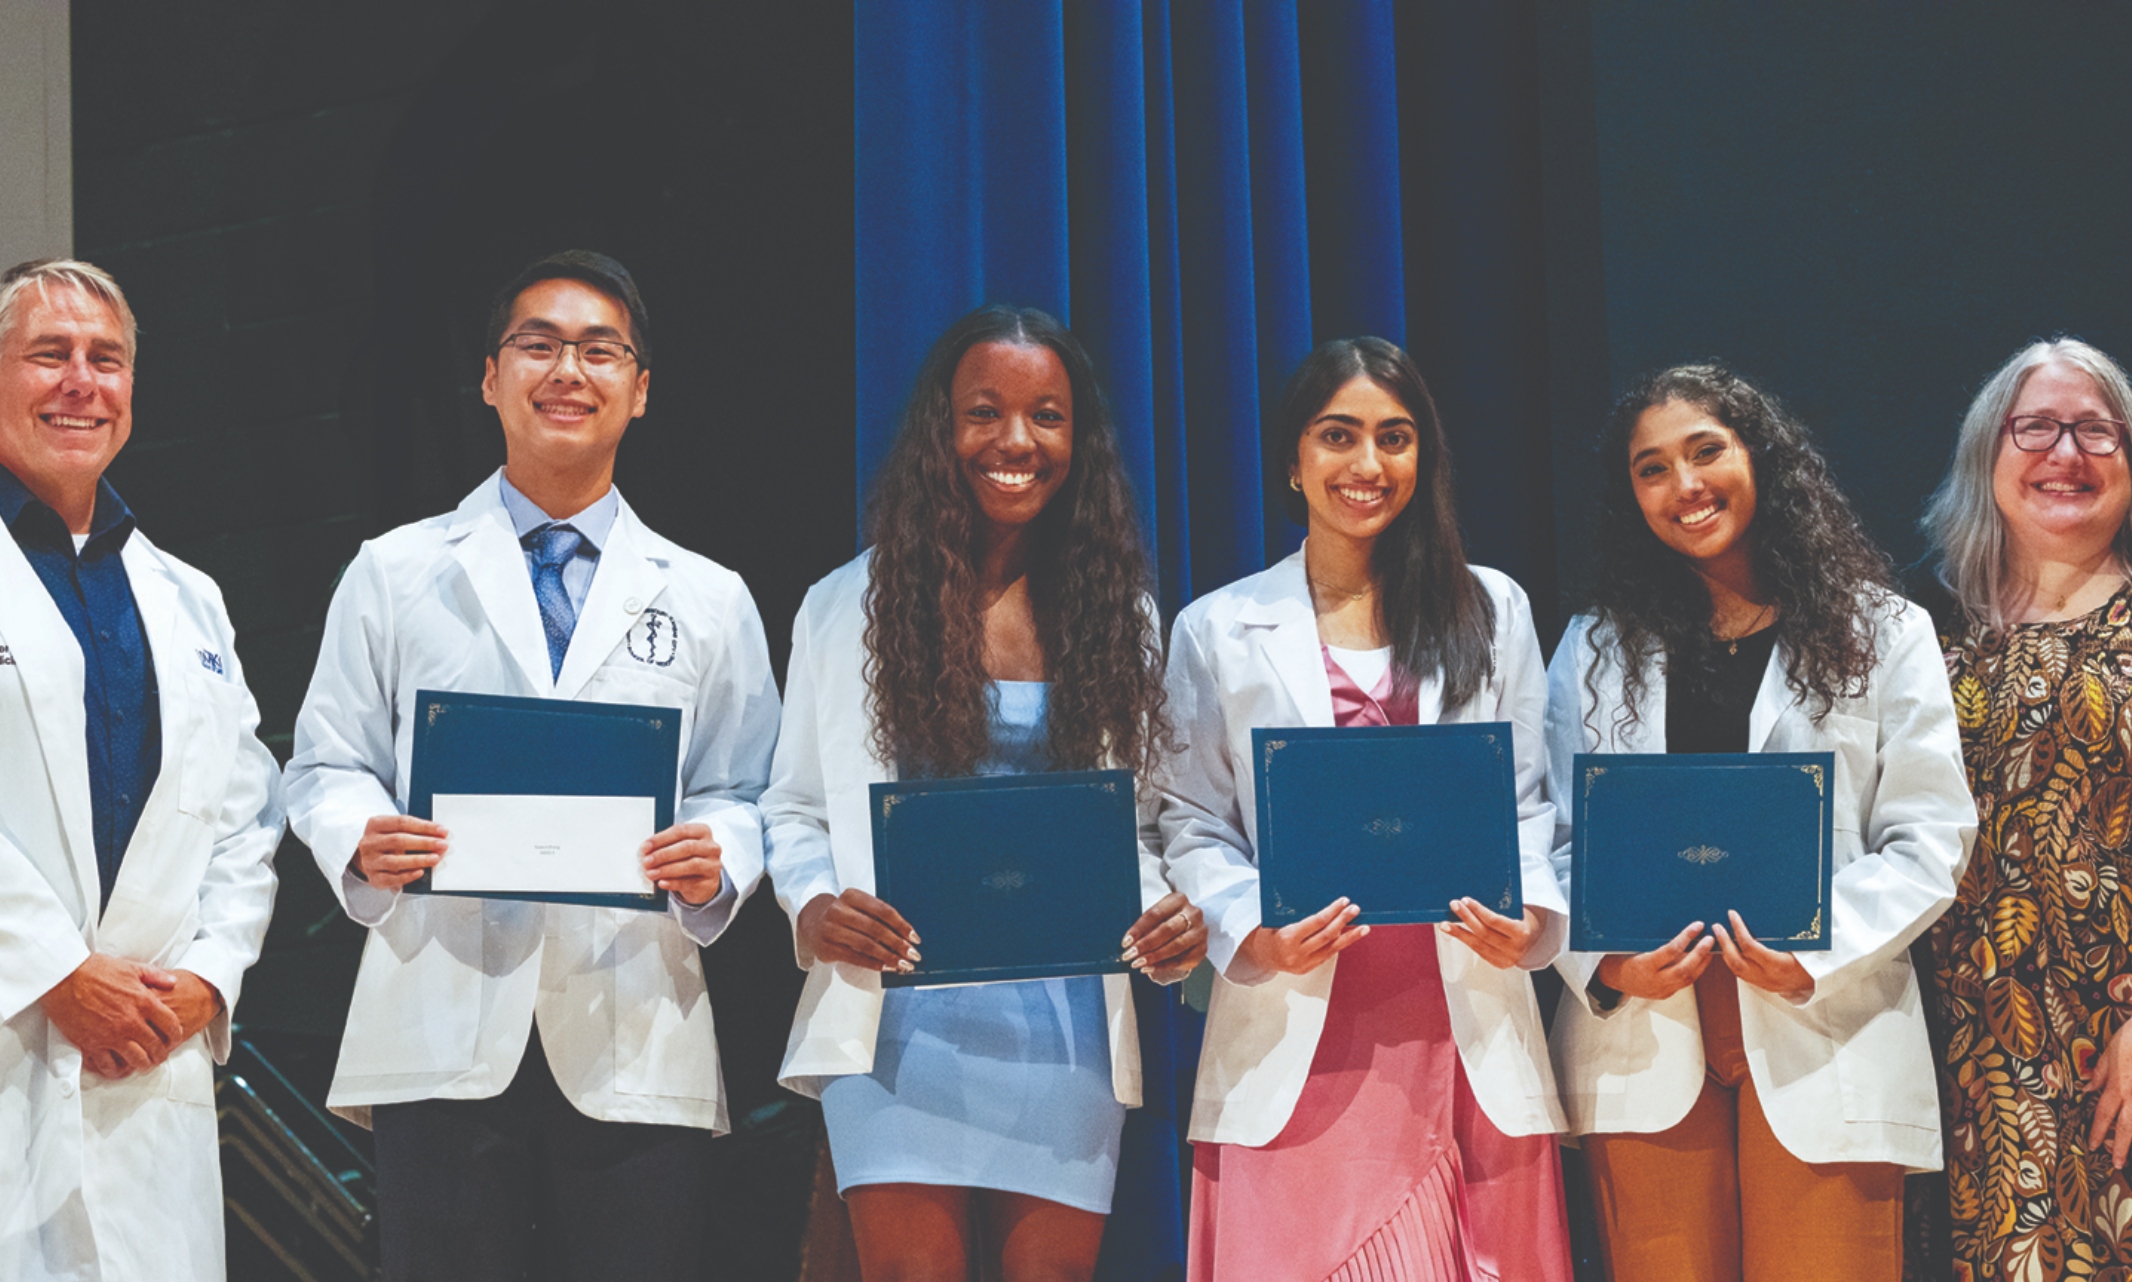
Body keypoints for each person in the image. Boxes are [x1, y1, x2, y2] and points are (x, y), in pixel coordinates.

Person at [284, 250, 780, 1282]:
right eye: (538, 344)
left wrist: (718, 856)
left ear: (639, 390)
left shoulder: (707, 596)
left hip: (632, 1023)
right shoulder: (396, 571)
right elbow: (327, 763)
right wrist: (361, 838)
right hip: (440, 1020)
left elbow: (743, 789)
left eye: (600, 351)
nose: (568, 371)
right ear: (489, 377)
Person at [762, 304, 1205, 1281]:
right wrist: (816, 907)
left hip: (1064, 1028)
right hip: (896, 1027)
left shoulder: (1120, 616)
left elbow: (1138, 827)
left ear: (1078, 441)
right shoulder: (844, 607)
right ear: (941, 430)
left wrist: (1167, 915)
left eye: (1046, 415)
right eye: (983, 412)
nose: (1015, 440)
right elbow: (792, 809)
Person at [1546, 363, 1975, 1281]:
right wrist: (1607, 962)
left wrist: (1813, 952)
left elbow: (1929, 837)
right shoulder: (1594, 647)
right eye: (1652, 468)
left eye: (1706, 451)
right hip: (1646, 1035)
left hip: (1826, 1022)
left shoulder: (1883, 632)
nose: (1684, 485)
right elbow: (1553, 837)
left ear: (1761, 458)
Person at [1160, 337, 1573, 1281]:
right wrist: (1254, 932)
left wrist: (1531, 920)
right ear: (1293, 461)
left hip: (1464, 1021)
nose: (1368, 464)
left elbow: (1525, 802)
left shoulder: (1493, 609)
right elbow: (1190, 820)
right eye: (1338, 435)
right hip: (1295, 1031)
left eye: (1395, 437)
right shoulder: (1217, 627)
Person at [0, 258, 283, 1280]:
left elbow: (246, 816)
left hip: (151, 1072)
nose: (81, 382)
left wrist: (210, 976)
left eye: (106, 359)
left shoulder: (188, 597)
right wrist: (53, 971)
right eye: (49, 354)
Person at [1919, 338, 2132, 1279]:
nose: (2066, 454)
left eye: (2096, 430)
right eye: (2035, 428)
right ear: (1988, 456)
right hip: (1978, 1071)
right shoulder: (1925, 649)